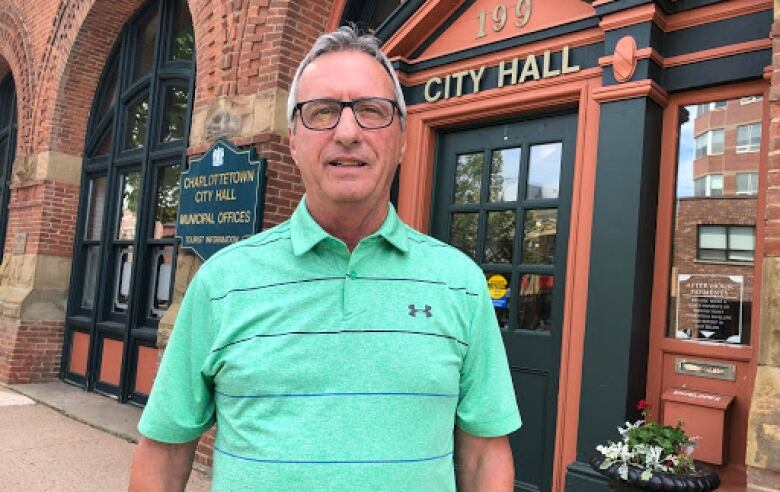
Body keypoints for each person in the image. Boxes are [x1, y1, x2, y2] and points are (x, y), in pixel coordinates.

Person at [129, 26, 521, 492]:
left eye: (372, 111)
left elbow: (483, 457)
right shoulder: (222, 284)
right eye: (323, 112)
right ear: (293, 140)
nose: (348, 133)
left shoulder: (460, 284)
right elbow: (166, 450)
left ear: (403, 140)